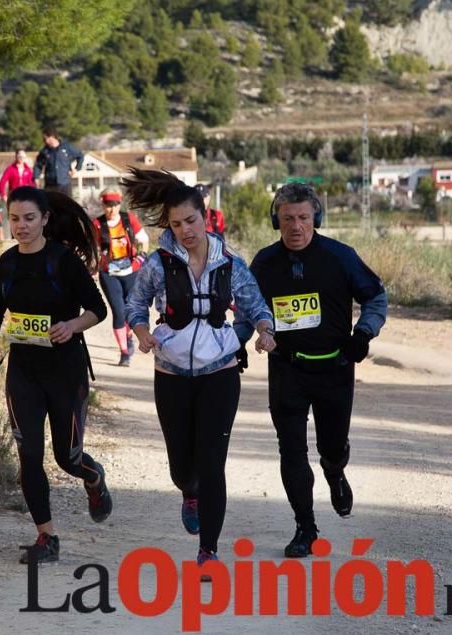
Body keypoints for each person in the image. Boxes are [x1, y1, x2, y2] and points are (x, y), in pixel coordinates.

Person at [122, 168, 275, 576]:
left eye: (190, 221)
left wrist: (264, 331)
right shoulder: (158, 264)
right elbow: (135, 306)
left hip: (220, 370)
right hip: (170, 371)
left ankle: (209, 550)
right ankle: (188, 493)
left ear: (204, 217)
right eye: (176, 224)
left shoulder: (230, 263)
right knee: (180, 465)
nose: (185, 230)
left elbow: (256, 306)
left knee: (213, 462)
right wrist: (141, 333)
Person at [239, 183, 387, 559]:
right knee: (291, 451)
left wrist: (364, 332)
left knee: (330, 447)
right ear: (277, 221)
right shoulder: (265, 263)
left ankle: (335, 472)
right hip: (287, 370)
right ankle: (305, 527)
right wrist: (233, 346)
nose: (296, 226)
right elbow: (246, 310)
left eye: (303, 217)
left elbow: (375, 296)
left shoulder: (340, 257)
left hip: (335, 369)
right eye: (287, 218)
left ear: (316, 218)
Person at [0, 186, 113, 565]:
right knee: (29, 455)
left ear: (45, 219)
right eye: (15, 219)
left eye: (30, 218)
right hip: (24, 373)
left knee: (68, 459)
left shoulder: (63, 261)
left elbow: (98, 309)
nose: (22, 226)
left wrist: (72, 326)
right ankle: (46, 537)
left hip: (66, 371)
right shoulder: (4, 266)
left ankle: (94, 478)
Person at [93, 190, 149, 366]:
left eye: (115, 204)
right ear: (103, 205)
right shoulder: (97, 224)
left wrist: (141, 258)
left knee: (129, 308)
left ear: (120, 204)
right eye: (108, 205)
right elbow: (93, 248)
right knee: (118, 312)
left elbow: (143, 239)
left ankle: (129, 334)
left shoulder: (128, 219)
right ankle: (124, 353)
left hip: (131, 270)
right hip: (109, 273)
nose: (111, 208)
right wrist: (95, 266)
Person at [33, 126, 84, 197]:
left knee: (67, 206)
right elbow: (38, 165)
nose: (44, 141)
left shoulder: (67, 147)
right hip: (50, 185)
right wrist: (36, 177)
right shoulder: (44, 151)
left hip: (65, 184)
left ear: (52, 136)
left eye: (45, 138)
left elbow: (80, 156)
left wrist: (76, 169)